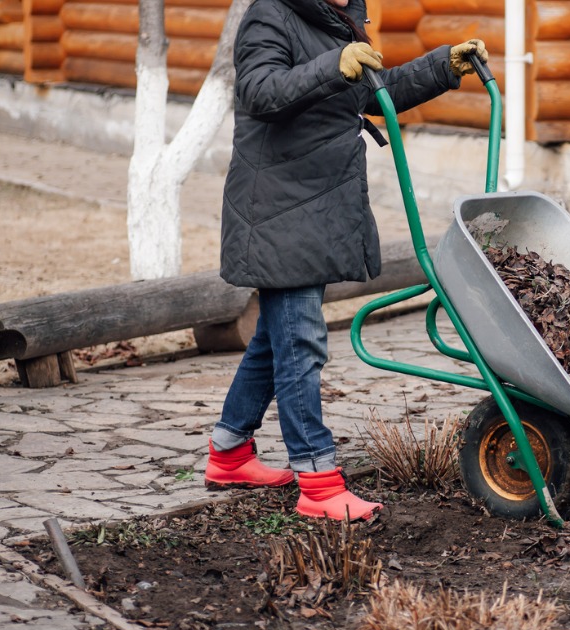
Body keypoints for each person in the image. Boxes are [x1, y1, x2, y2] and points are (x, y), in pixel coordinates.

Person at [203, 0, 488, 521]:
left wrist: (441, 65)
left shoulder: (335, 25)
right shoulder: (271, 14)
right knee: (300, 344)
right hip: (278, 211)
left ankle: (229, 453)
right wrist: (333, 65)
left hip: (310, 208)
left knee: (276, 341)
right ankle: (317, 482)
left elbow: (374, 93)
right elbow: (260, 92)